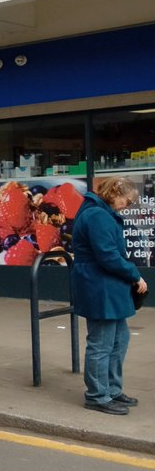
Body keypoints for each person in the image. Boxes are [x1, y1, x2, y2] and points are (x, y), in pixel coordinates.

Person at [71, 177, 148, 416]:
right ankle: (97, 396)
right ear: (114, 192)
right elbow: (108, 256)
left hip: (107, 286)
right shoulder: (97, 216)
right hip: (100, 286)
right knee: (102, 344)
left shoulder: (100, 213)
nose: (127, 205)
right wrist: (135, 275)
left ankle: (112, 391)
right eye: (127, 200)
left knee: (118, 341)